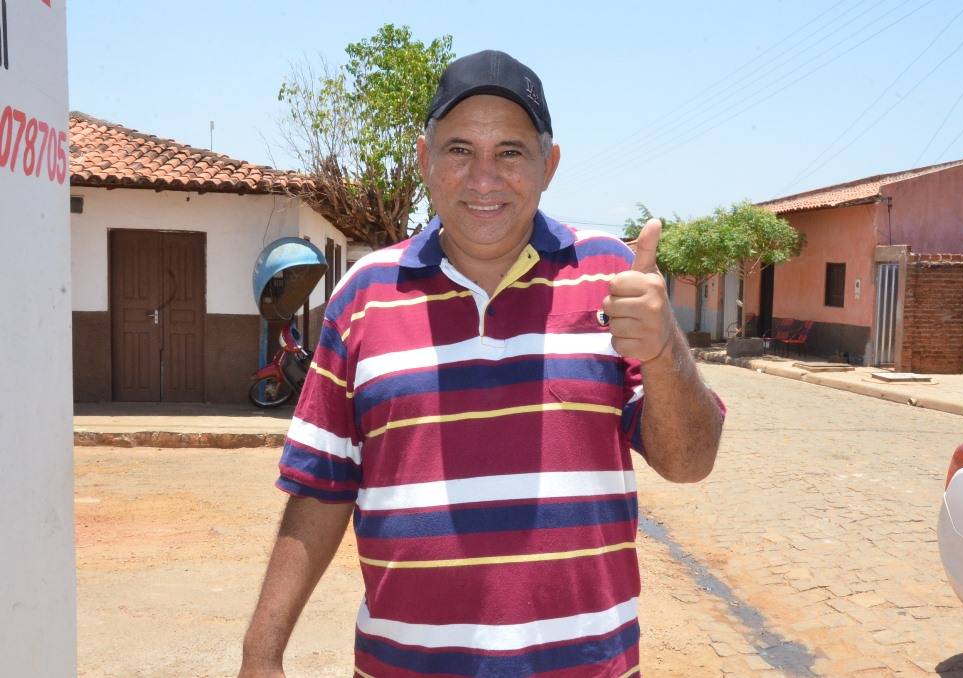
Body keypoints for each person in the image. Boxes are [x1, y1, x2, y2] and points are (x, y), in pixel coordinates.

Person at [240, 50, 725, 678]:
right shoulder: (363, 296)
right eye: (460, 149)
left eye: (511, 153)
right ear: (425, 160)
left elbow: (691, 462)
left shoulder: (611, 275)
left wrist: (664, 351)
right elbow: (320, 486)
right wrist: (261, 653)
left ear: (550, 164)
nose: (484, 177)